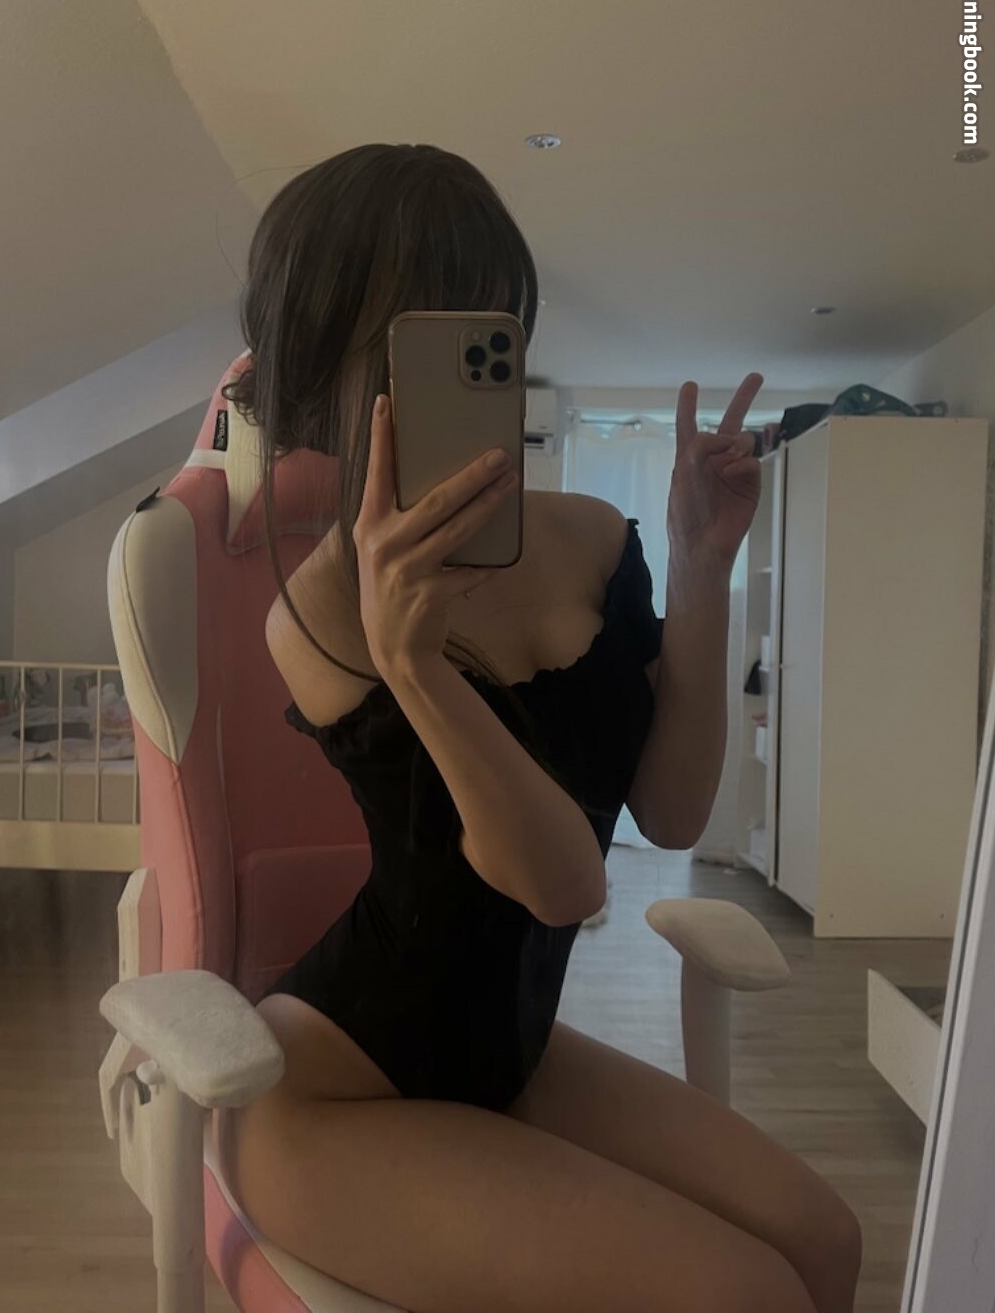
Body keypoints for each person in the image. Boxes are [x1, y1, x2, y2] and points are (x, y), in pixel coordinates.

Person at [216, 143, 861, 1313]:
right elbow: (564, 886)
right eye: (431, 341)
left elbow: (671, 813)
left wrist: (702, 565)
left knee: (824, 1242)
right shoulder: (320, 615)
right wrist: (414, 665)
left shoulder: (596, 539)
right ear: (341, 366)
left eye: (494, 331)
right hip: (332, 1100)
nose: (482, 376)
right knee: (743, 1295)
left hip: (508, 1054)